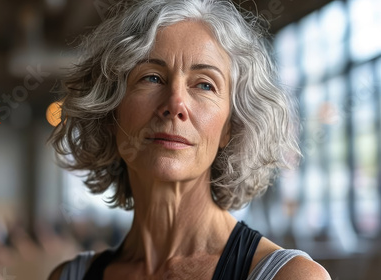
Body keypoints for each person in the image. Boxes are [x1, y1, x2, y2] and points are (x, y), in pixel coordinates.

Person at [48, 0, 331, 279]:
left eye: (205, 84)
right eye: (151, 78)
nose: (175, 103)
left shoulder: (291, 276)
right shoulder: (68, 276)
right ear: (110, 112)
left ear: (230, 127)